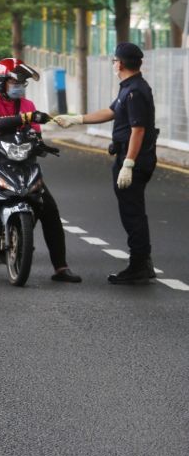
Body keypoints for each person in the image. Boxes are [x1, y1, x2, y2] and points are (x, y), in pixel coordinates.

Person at [0, 58, 81, 283]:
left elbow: (35, 133)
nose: (20, 86)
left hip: (21, 160)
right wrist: (25, 118)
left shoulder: (28, 104)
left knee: (49, 209)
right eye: (16, 81)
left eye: (23, 83)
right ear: (2, 81)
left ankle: (61, 267)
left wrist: (40, 144)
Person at [54, 42, 158, 284]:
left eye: (114, 60)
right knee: (131, 211)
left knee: (133, 213)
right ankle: (143, 261)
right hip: (128, 157)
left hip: (133, 160)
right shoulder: (129, 88)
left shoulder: (135, 92)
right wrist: (76, 119)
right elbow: (111, 112)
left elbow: (138, 130)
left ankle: (139, 265)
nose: (113, 63)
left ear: (120, 63)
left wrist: (129, 163)